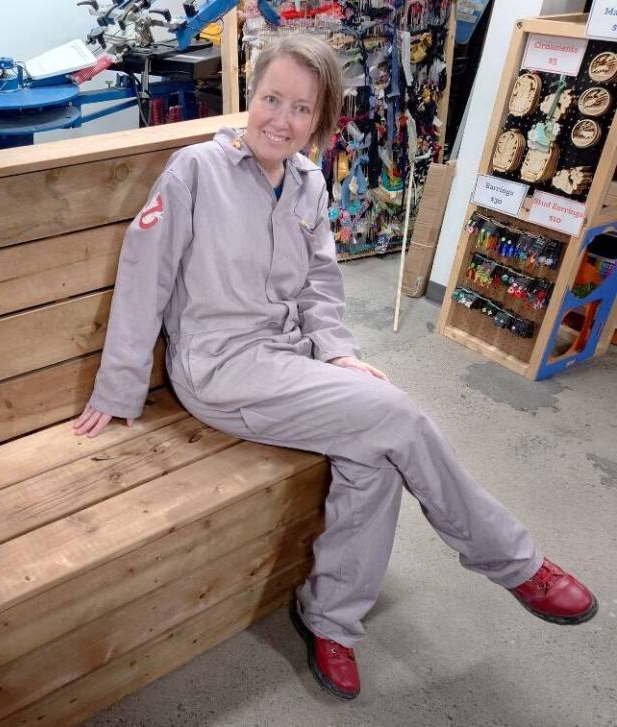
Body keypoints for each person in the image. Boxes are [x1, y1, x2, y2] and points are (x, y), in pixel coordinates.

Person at [72, 34, 597, 700]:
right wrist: (118, 388)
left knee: (372, 453)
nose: (280, 120)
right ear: (250, 95)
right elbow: (144, 276)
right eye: (270, 99)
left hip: (289, 358)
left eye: (299, 109)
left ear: (318, 122)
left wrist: (340, 355)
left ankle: (330, 619)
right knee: (397, 415)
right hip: (220, 368)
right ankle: (517, 563)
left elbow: (321, 284)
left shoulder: (308, 182)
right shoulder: (195, 171)